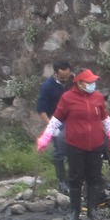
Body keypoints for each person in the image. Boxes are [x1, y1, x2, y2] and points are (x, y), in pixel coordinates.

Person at [37, 68, 110, 220]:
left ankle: (92, 210)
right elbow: (56, 120)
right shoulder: (67, 98)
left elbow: (105, 119)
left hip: (96, 144)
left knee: (94, 178)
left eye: (94, 82)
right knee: (75, 178)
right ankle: (74, 211)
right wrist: (45, 138)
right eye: (89, 82)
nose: (93, 84)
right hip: (75, 145)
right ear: (79, 83)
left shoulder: (98, 97)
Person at [36, 60, 74, 188]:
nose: (65, 79)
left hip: (73, 120)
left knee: (75, 150)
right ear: (56, 73)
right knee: (59, 151)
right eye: (62, 77)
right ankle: (62, 181)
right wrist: (51, 126)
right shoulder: (47, 87)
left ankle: (74, 178)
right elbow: (41, 109)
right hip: (56, 121)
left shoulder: (73, 82)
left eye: (67, 77)